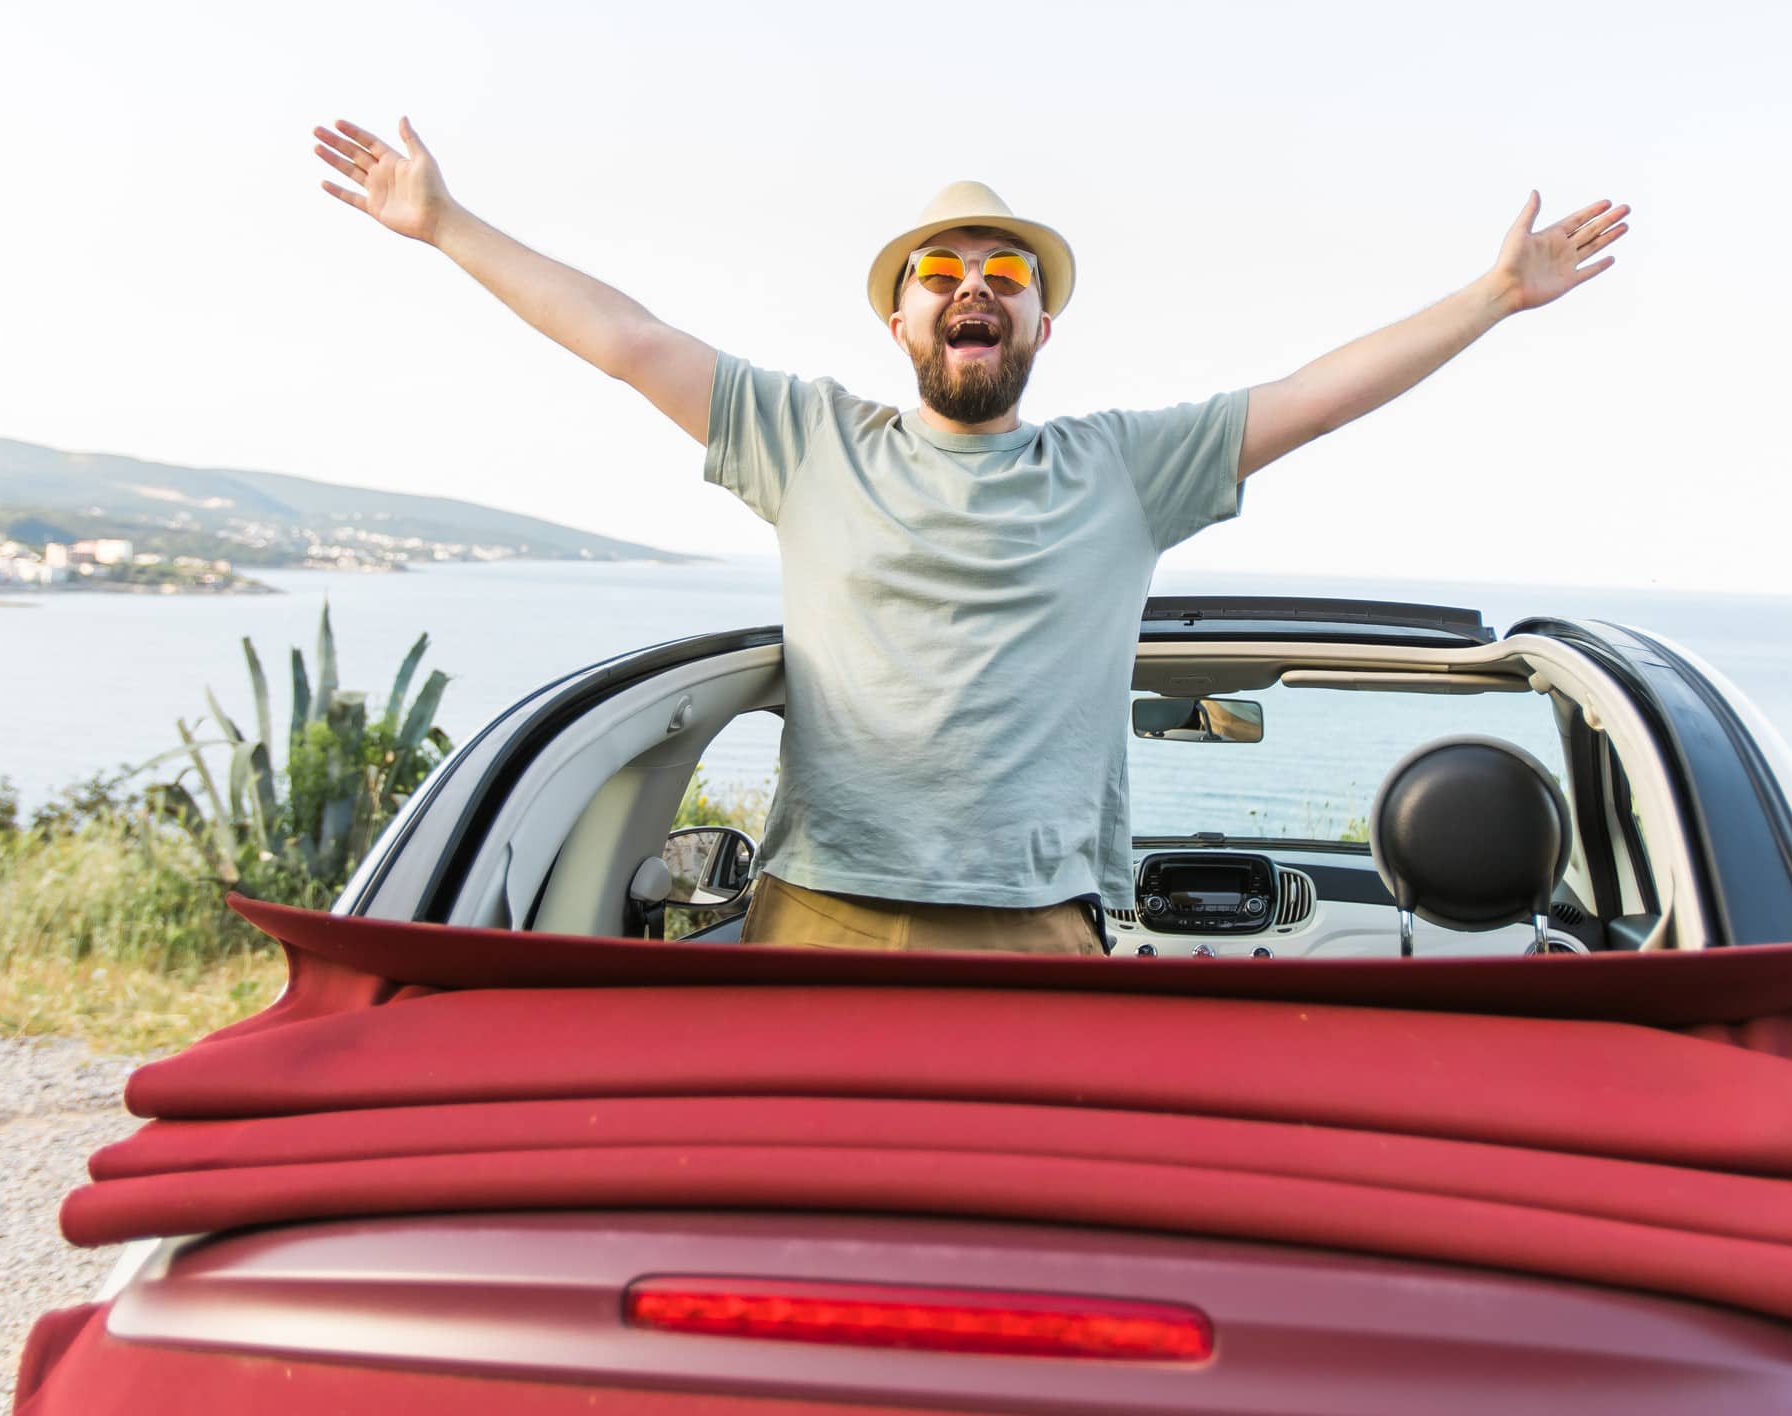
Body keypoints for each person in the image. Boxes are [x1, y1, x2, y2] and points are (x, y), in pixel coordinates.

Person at [312, 117, 1630, 954]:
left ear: (1041, 327)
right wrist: (444, 226)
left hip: (1039, 933)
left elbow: (1315, 396)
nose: (976, 289)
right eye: (944, 274)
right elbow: (629, 342)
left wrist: (1494, 296)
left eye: (1006, 275)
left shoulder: (1126, 469)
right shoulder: (807, 441)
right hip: (822, 916)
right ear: (902, 322)